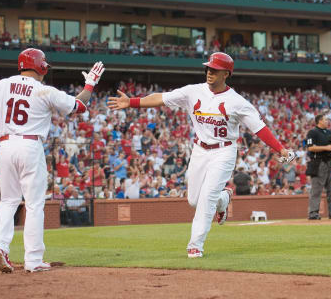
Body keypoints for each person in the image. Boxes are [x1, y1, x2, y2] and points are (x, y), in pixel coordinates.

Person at [108, 52, 295, 258]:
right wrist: (132, 102)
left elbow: (260, 129)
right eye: (208, 68)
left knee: (206, 198)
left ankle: (195, 245)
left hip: (224, 151)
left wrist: (281, 149)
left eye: (214, 70)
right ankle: (224, 199)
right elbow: (160, 98)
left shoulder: (237, 102)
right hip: (199, 150)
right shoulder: (193, 92)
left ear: (226, 73)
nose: (209, 72)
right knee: (194, 200)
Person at [0, 48, 105, 273]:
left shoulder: (3, 84)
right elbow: (79, 106)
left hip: (5, 144)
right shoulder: (44, 91)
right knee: (34, 204)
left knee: (8, 201)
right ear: (40, 66)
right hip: (30, 145)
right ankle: (33, 260)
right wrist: (90, 84)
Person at [305, 114, 331, 220]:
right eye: (325, 120)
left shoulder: (329, 132)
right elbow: (310, 148)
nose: (327, 122)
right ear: (319, 121)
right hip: (318, 162)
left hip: (329, 161)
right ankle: (313, 213)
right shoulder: (313, 132)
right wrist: (326, 147)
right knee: (316, 189)